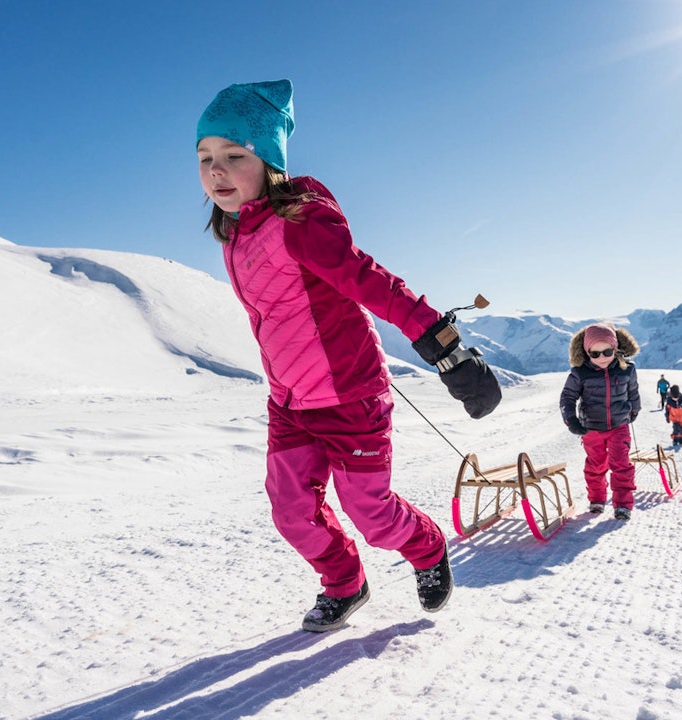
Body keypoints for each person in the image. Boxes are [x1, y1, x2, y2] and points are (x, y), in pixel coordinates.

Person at [196, 80, 501, 633]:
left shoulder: (302, 222)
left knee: (372, 515)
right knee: (291, 511)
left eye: (234, 156)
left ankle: (427, 547)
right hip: (290, 402)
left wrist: (443, 346)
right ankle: (346, 582)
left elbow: (371, 282)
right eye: (205, 158)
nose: (216, 170)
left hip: (350, 396)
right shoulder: (236, 235)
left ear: (269, 161)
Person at [559, 323, 640, 521]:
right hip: (591, 428)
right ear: (587, 354)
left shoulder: (626, 370)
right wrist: (571, 420)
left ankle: (622, 505)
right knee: (596, 466)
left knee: (621, 464)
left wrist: (634, 410)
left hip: (619, 426)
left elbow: (633, 392)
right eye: (595, 354)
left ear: (616, 349)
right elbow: (567, 397)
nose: (602, 358)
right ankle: (597, 500)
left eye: (607, 352)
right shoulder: (580, 373)